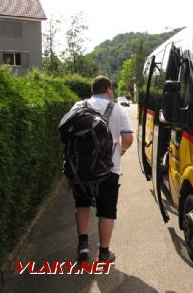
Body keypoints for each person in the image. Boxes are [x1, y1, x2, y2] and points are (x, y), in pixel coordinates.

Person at [72, 76, 133, 262]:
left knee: (82, 204)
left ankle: (83, 247)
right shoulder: (118, 109)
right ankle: (104, 253)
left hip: (81, 168)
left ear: (93, 89)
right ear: (108, 90)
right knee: (106, 210)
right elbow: (128, 138)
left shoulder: (79, 106)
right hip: (109, 169)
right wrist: (120, 151)